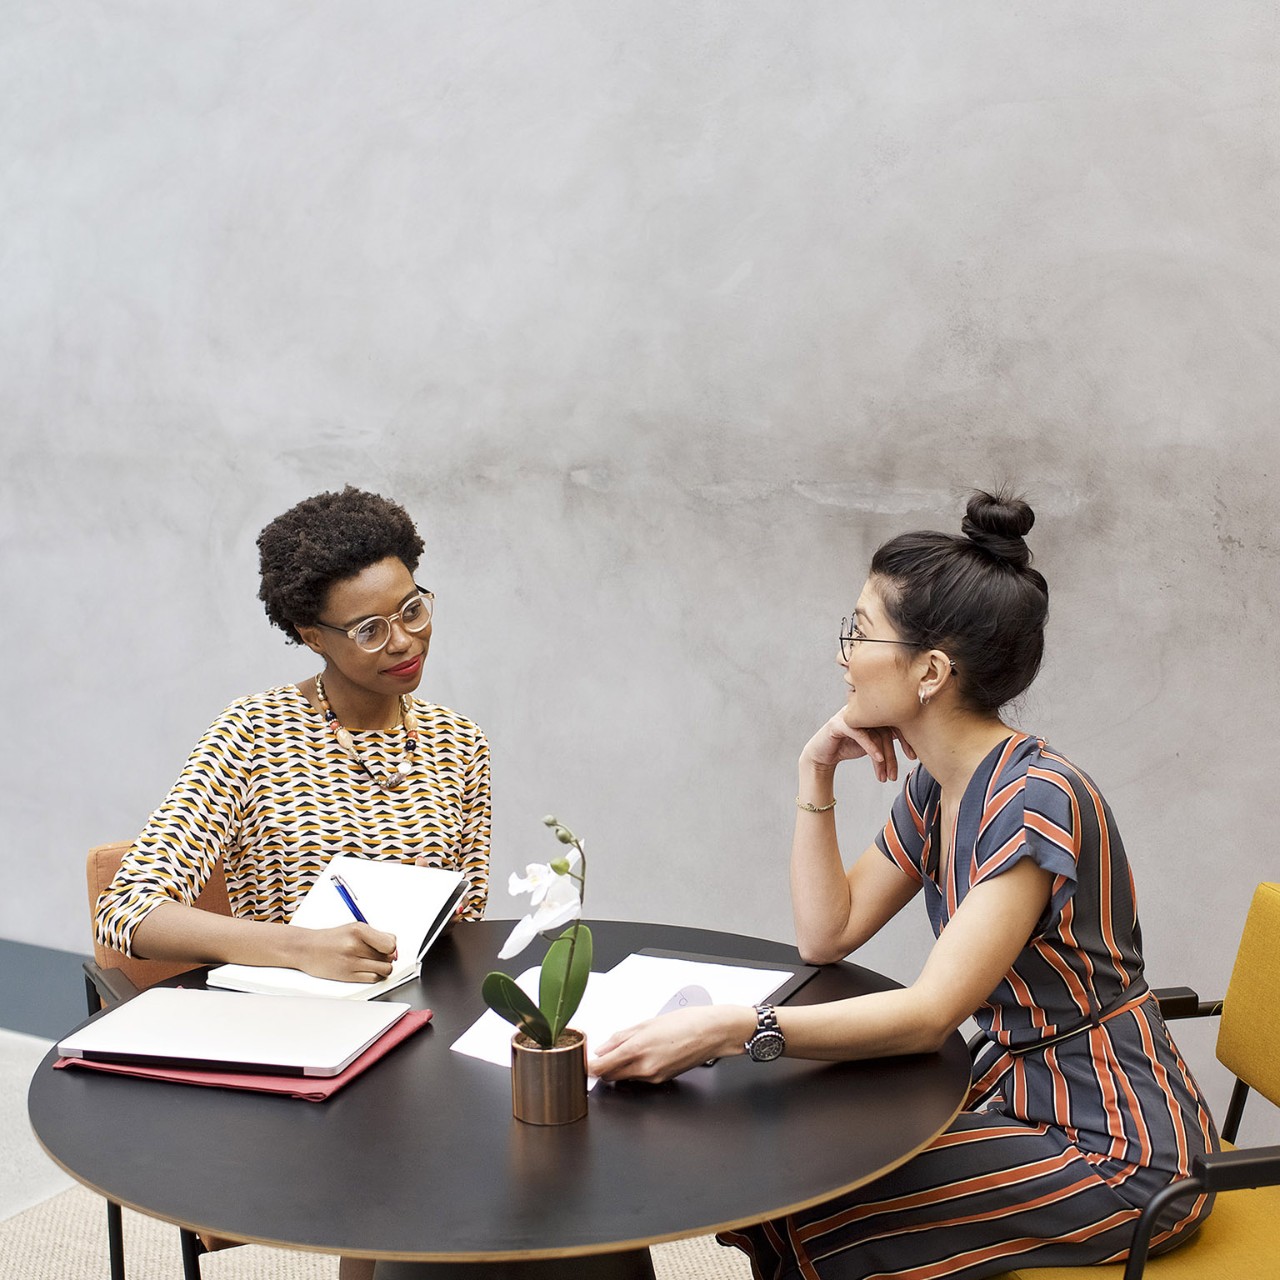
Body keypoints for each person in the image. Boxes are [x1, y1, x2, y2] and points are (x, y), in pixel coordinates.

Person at [590, 490, 1216, 1279]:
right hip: (1019, 1098)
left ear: (929, 671)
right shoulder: (941, 788)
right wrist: (814, 770)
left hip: (1117, 1150)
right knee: (796, 1163)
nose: (844, 652)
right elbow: (829, 932)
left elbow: (928, 1016)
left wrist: (728, 1029)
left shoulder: (1036, 803)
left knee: (823, 1193)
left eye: (860, 630)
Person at [97, 484, 491, 988]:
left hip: (421, 1015)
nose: (404, 641)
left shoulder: (458, 742)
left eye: (411, 610)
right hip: (289, 1024)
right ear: (312, 637)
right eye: (369, 630)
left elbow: (466, 927)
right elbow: (127, 910)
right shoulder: (255, 733)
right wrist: (301, 947)